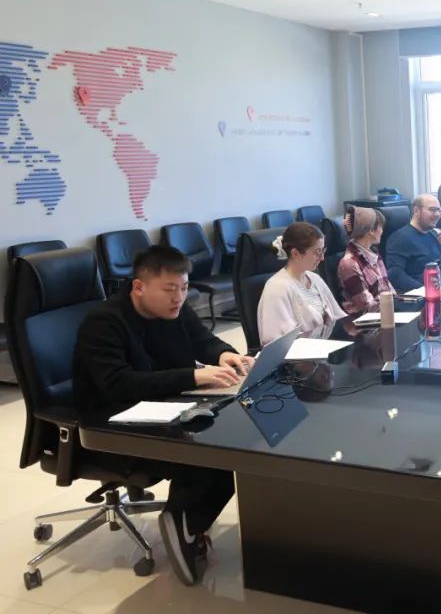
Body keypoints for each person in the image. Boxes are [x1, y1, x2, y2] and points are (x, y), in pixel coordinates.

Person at [73, 245, 254, 586]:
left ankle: (187, 521)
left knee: (226, 436)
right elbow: (118, 385)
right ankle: (184, 524)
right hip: (112, 422)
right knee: (208, 454)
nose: (179, 297)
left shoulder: (175, 310)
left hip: (162, 406)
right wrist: (193, 377)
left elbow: (203, 340)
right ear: (139, 287)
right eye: (170, 289)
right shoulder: (104, 323)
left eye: (184, 288)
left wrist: (224, 354)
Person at [257, 222, 346, 345]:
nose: (322, 258)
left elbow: (337, 318)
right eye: (317, 252)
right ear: (295, 253)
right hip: (298, 355)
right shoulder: (277, 288)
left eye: (323, 251)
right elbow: (277, 343)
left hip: (322, 348)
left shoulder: (315, 278)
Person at [384, 194, 441, 291]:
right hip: (419, 295)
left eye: (439, 210)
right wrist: (427, 291)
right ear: (416, 211)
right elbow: (395, 275)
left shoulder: (435, 234)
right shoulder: (399, 238)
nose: (437, 215)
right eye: (432, 210)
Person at [338, 205, 395, 315]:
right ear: (371, 231)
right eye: (381, 227)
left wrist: (397, 301)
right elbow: (366, 305)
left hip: (385, 311)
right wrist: (392, 304)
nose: (382, 231)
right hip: (367, 320)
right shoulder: (349, 264)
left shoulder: (374, 253)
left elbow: (387, 287)